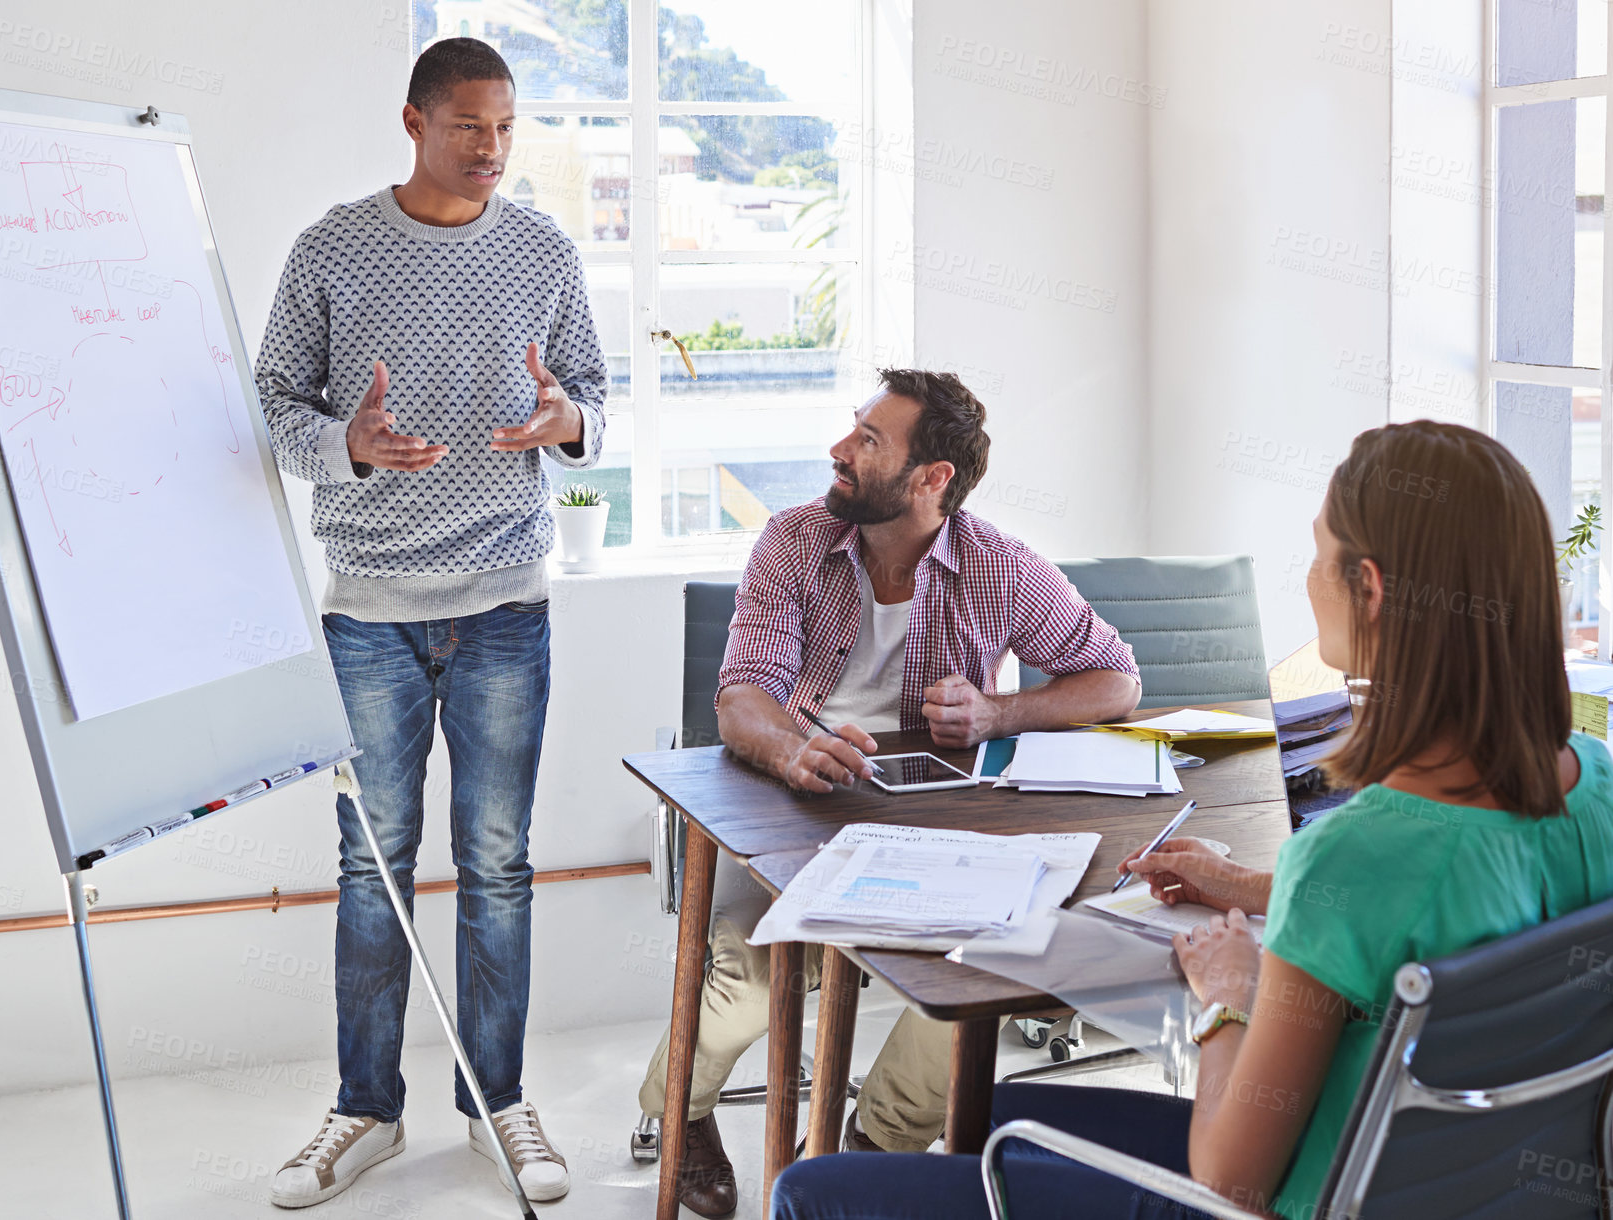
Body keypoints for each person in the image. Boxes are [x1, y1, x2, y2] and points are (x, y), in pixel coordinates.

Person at [771, 418, 1613, 1219]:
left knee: (813, 1195)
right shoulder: (1596, 784)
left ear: (1371, 591)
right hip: (1449, 1187)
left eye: (1318, 555)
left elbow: (1229, 1181)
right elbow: (1432, 898)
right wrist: (1243, 884)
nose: (1309, 578)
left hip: (1282, 1193)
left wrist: (1231, 993)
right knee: (988, 1112)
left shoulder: (1356, 854)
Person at [640, 368, 1143, 1218]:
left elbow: (1115, 680)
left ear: (931, 478)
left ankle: (864, 1150)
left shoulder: (999, 567)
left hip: (933, 825)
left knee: (974, 977)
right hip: (792, 806)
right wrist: (794, 751)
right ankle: (678, 1116)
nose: (840, 451)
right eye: (852, 430)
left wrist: (1000, 710)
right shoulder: (793, 541)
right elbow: (742, 697)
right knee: (754, 978)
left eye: (869, 441)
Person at [254, 39, 606, 1208]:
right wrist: (345, 444)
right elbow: (267, 404)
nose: (492, 149)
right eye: (468, 126)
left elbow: (592, 395)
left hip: (508, 601)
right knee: (375, 867)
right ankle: (366, 1108)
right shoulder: (333, 248)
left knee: (498, 864)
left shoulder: (546, 250)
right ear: (414, 121)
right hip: (371, 615)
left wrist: (566, 421)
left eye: (506, 127)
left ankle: (493, 1099)